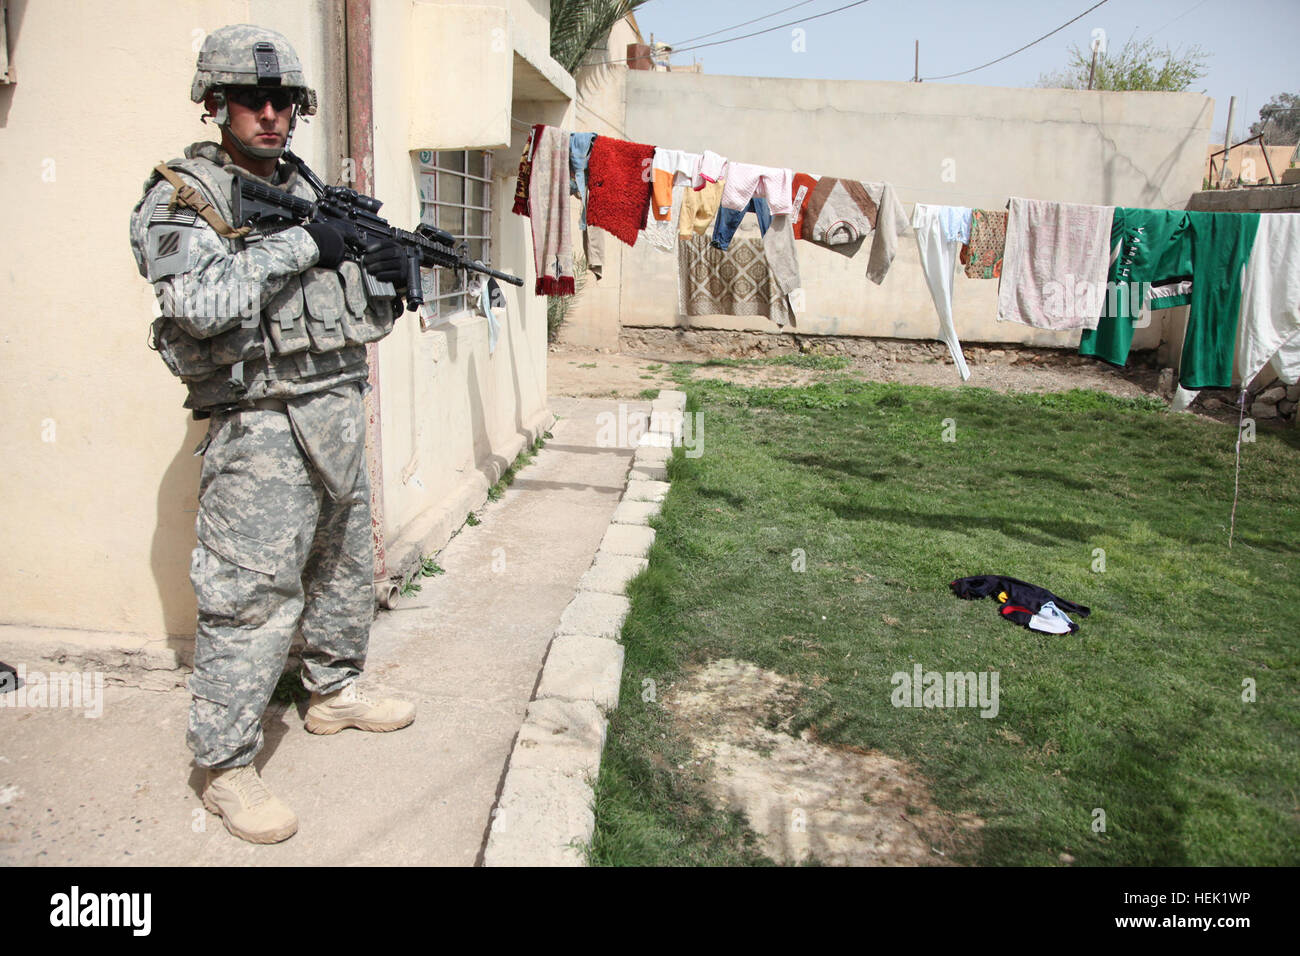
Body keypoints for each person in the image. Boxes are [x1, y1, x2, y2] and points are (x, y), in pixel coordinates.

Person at [129, 24, 415, 845]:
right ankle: (225, 767)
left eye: (285, 100)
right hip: (256, 427)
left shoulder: (311, 189)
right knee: (249, 597)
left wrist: (388, 278)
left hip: (333, 410)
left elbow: (345, 318)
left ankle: (333, 693)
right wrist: (305, 243)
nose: (271, 115)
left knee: (344, 565)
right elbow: (202, 303)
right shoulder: (185, 197)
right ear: (215, 103)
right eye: (253, 100)